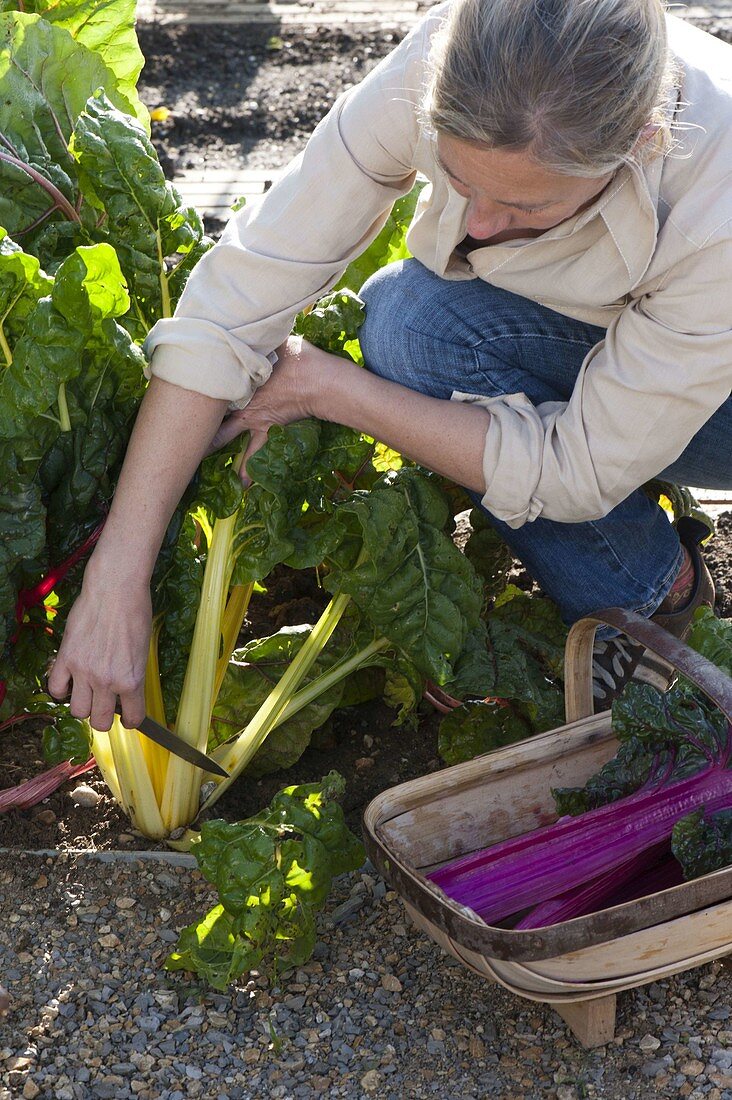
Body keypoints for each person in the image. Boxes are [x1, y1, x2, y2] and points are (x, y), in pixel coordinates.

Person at [49, 0, 731, 731]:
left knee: (430, 356)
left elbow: (577, 472)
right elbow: (233, 302)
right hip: (652, 337)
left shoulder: (715, 202)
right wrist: (116, 576)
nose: (477, 226)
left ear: (642, 142)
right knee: (411, 324)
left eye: (526, 203)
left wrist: (332, 388)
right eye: (462, 183)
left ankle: (649, 594)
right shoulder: (452, 57)